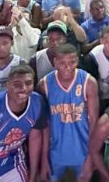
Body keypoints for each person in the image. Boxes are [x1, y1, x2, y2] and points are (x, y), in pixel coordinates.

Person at [37, 43, 99, 181]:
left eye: (72, 62)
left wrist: (91, 156)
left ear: (77, 60)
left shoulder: (88, 82)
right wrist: (44, 158)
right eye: (62, 63)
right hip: (55, 152)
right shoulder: (44, 85)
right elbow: (44, 126)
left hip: (82, 149)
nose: (67, 67)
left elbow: (94, 121)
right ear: (54, 62)